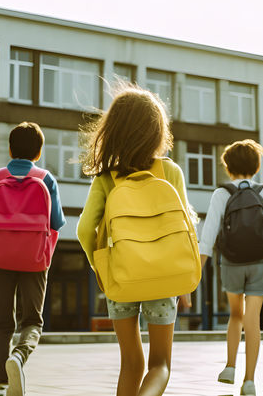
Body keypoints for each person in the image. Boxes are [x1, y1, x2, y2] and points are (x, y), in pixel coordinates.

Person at [76, 84, 193, 396]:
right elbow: (186, 225)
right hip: (164, 278)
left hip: (122, 278)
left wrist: (101, 268)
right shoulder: (170, 171)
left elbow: (85, 229)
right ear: (157, 131)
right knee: (160, 364)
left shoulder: (106, 178)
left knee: (130, 362)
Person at [0, 122, 66, 396]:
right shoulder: (46, 179)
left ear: (10, 149)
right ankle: (19, 357)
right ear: (38, 153)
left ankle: (1, 383)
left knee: (2, 322)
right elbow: (57, 222)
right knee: (33, 321)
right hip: (36, 258)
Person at [198, 139, 263, 396]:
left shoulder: (222, 194)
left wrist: (196, 271)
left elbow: (207, 239)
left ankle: (230, 367)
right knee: (253, 320)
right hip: (260, 263)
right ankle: (249, 381)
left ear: (228, 167)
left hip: (231, 262)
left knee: (236, 316)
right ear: (256, 166)